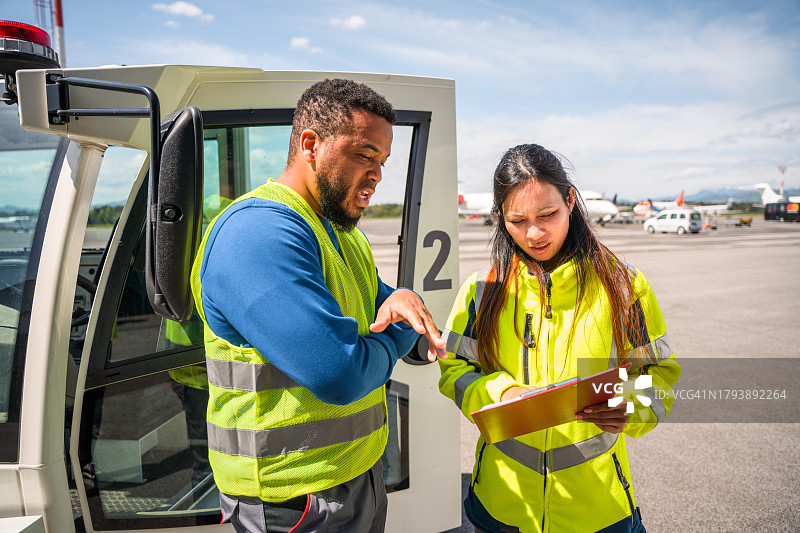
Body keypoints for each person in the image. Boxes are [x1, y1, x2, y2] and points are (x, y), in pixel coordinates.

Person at [190, 78, 446, 533]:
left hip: (358, 475)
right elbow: (340, 373)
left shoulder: (340, 230)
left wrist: (404, 305)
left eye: (383, 161)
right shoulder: (258, 232)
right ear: (310, 145)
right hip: (296, 499)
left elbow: (389, 305)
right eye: (365, 155)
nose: (377, 175)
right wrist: (398, 331)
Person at [438, 144, 681, 533]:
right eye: (517, 220)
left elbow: (660, 375)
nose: (534, 234)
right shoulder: (481, 291)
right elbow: (453, 371)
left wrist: (630, 404)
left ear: (570, 201)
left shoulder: (624, 287)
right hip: (502, 507)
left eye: (547, 215)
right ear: (501, 217)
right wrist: (499, 392)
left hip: (598, 512)